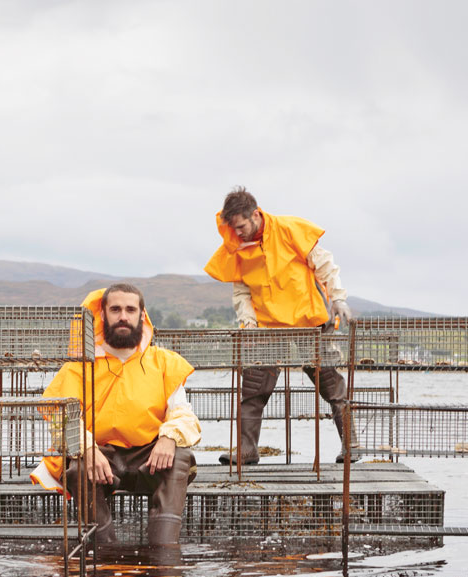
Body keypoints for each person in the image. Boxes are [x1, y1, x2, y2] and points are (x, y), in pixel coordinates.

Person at [32, 284, 201, 545]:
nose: (123, 316)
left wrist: (168, 438)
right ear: (102, 316)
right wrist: (87, 449)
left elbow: (183, 414)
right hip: (101, 457)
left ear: (142, 316)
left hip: (148, 458)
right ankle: (105, 555)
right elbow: (61, 420)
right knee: (77, 468)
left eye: (130, 309)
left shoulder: (164, 362)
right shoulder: (77, 368)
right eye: (115, 309)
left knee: (180, 456)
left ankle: (165, 558)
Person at [204, 186, 356, 464]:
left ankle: (351, 445)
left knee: (331, 384)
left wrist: (338, 298)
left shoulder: (288, 229)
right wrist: (248, 322)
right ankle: (247, 450)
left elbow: (323, 263)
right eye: (233, 228)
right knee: (253, 387)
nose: (238, 233)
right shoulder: (236, 246)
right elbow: (242, 292)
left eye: (241, 226)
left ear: (255, 214)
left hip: (309, 322)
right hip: (267, 328)